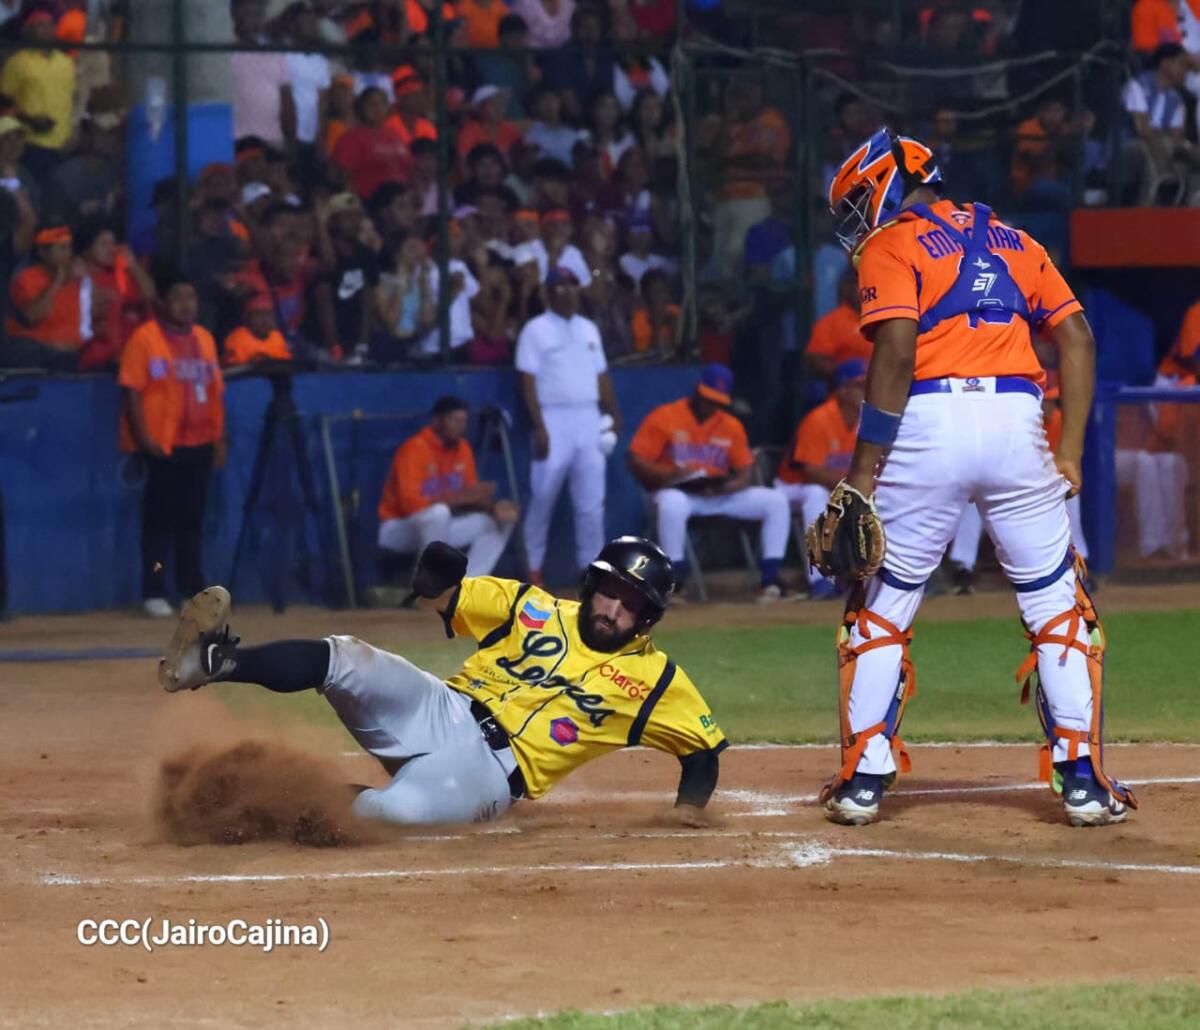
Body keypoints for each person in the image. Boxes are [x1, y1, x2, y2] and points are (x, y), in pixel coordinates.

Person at [817, 127, 1135, 829]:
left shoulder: (892, 244)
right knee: (1056, 604)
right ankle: (1083, 781)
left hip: (929, 422)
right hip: (1019, 422)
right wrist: (1071, 452)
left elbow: (896, 351)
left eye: (858, 202)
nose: (855, 221)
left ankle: (863, 780)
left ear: (888, 186)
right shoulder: (1016, 240)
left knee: (883, 607)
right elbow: (1077, 338)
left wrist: (862, 473)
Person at [158, 536, 726, 827]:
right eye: (610, 592)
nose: (614, 610)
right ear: (590, 585)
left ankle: (253, 803)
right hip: (441, 706)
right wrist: (434, 579)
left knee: (396, 816)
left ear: (647, 617)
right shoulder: (529, 605)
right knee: (348, 657)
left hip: (490, 772)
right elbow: (445, 597)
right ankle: (217, 662)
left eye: (631, 603)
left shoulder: (656, 679)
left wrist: (689, 811)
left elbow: (701, 753)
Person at [628, 363, 793, 603]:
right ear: (698, 389)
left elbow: (745, 469)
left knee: (775, 501)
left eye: (717, 401)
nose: (711, 405)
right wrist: (670, 473)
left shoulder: (730, 424)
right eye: (708, 398)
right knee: (672, 503)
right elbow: (636, 460)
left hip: (718, 493)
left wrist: (731, 486)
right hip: (679, 491)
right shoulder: (665, 416)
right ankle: (675, 582)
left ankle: (769, 580)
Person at [119, 269, 226, 618]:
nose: (186, 304)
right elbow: (132, 392)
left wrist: (219, 439)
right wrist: (143, 438)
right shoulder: (144, 339)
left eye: (191, 297)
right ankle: (154, 590)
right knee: (159, 524)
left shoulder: (205, 339)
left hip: (200, 442)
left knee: (192, 521)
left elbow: (215, 392)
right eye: (178, 297)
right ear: (163, 303)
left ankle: (191, 589)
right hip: (162, 445)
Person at [516, 266, 622, 585]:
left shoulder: (588, 328)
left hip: (588, 416)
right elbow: (527, 380)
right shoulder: (535, 329)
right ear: (548, 293)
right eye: (561, 287)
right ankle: (533, 570)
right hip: (553, 416)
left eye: (573, 286)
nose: (568, 292)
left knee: (591, 503)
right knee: (543, 496)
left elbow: (601, 375)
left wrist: (614, 412)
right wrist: (539, 426)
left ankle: (592, 572)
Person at [377, 396, 518, 577]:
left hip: (440, 526)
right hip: (399, 528)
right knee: (439, 513)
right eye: (454, 420)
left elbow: (469, 497)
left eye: (464, 421)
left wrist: (493, 508)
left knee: (498, 521)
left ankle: (466, 585)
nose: (461, 426)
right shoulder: (414, 448)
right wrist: (454, 498)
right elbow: (409, 505)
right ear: (437, 421)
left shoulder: (463, 448)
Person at [775, 359, 865, 600]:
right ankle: (820, 579)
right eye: (859, 386)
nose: (866, 391)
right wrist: (856, 487)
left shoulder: (865, 421)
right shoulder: (820, 418)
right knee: (817, 495)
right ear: (842, 390)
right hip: (793, 486)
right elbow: (812, 472)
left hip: (838, 487)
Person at [0, 7, 76, 176]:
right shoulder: (18, 62)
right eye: (38, 25)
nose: (45, 29)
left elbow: (72, 98)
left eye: (48, 25)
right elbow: (4, 101)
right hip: (31, 142)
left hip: (64, 143)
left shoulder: (66, 62)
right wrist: (28, 118)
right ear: (28, 31)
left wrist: (73, 127)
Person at [2, 225, 86, 371]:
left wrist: (87, 280)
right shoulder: (27, 278)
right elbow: (33, 316)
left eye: (69, 248)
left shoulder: (77, 278)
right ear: (43, 252)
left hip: (68, 354)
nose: (67, 254)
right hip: (32, 351)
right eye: (61, 248)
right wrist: (56, 282)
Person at [804, 267, 872, 380]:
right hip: (849, 386)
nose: (868, 288)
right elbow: (815, 359)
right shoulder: (831, 322)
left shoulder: (886, 316)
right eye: (861, 283)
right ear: (847, 288)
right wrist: (844, 372)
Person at [222, 293, 292, 365]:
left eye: (268, 314)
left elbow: (287, 363)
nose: (264, 319)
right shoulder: (237, 338)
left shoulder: (279, 337)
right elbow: (229, 366)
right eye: (258, 314)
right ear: (247, 318)